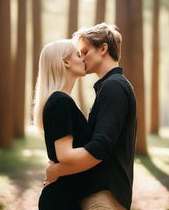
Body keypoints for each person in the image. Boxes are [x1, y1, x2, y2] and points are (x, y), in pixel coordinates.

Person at [45, 23, 137, 210]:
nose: (83, 57)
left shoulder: (114, 86)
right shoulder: (109, 87)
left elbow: (101, 146)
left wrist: (57, 170)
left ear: (103, 48)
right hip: (100, 193)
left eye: (85, 52)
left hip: (104, 196)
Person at [33, 40, 101, 210]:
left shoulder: (60, 100)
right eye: (79, 55)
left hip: (65, 197)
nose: (83, 59)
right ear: (66, 62)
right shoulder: (60, 102)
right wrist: (102, 150)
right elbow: (65, 155)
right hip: (61, 201)